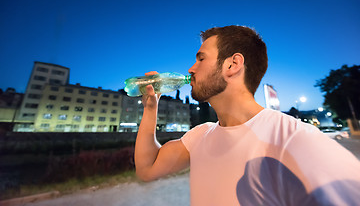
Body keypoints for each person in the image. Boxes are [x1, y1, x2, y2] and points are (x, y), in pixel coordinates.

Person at [134, 25, 360, 205]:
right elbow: (147, 169)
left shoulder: (294, 139)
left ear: (233, 64)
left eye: (201, 59)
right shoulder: (199, 136)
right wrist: (151, 108)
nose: (191, 69)